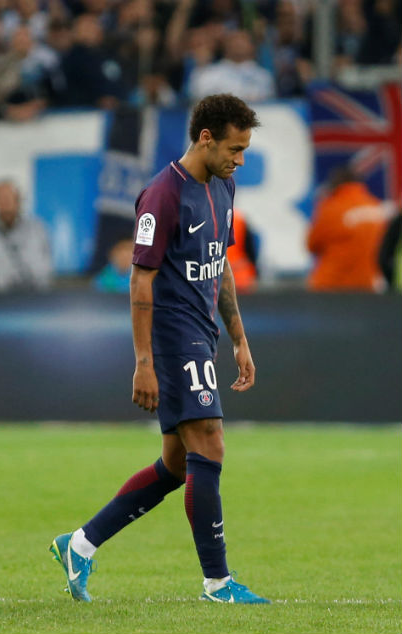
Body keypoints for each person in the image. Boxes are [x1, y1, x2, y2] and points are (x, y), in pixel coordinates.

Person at [50, 93, 269, 604]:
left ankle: (78, 545)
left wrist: (238, 337)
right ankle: (217, 583)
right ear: (206, 137)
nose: (240, 160)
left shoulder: (223, 186)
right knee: (210, 444)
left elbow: (221, 264)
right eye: (235, 149)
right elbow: (140, 280)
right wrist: (143, 362)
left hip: (204, 334)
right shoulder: (162, 194)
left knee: (176, 463)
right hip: (173, 337)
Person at [307, 167, 391, 292]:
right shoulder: (375, 206)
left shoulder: (331, 208)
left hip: (330, 285)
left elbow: (311, 245)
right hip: (367, 284)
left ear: (336, 185)